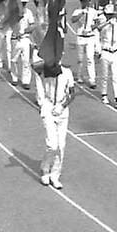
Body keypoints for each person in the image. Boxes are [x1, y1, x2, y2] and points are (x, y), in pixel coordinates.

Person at [34, 58, 76, 189]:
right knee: (52, 144)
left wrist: (62, 105)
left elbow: (72, 93)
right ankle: (45, 168)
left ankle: (55, 174)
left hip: (62, 110)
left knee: (61, 145)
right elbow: (34, 66)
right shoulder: (45, 70)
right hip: (48, 107)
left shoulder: (67, 72)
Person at [96, 3, 117, 109]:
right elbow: (98, 28)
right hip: (105, 51)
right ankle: (104, 94)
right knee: (104, 75)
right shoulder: (103, 24)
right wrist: (107, 23)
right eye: (107, 15)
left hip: (115, 52)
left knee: (116, 75)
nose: (109, 17)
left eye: (110, 15)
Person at [69, 0, 99, 88]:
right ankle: (79, 75)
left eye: (86, 1)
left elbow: (97, 23)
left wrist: (91, 28)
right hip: (80, 37)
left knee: (90, 58)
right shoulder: (77, 11)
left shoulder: (93, 12)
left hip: (90, 37)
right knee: (80, 59)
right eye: (82, 1)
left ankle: (92, 79)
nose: (84, 3)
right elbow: (73, 20)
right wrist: (82, 13)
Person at [11, 0, 36, 88]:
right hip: (15, 39)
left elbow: (33, 26)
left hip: (25, 38)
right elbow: (11, 24)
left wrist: (25, 31)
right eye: (22, 3)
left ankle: (26, 81)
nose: (23, 4)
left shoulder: (29, 12)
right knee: (14, 60)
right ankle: (14, 77)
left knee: (26, 61)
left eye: (25, 3)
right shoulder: (13, 11)